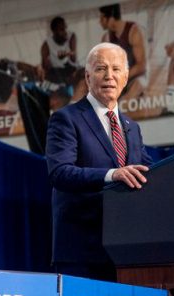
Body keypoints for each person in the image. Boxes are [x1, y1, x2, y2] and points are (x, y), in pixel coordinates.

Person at [45, 42, 152, 281]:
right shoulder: (66, 118)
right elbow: (60, 172)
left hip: (127, 252)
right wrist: (112, 174)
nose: (109, 76)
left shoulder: (132, 128)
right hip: (81, 252)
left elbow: (148, 173)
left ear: (125, 78)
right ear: (87, 76)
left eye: (116, 69)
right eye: (101, 68)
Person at [99, 4, 147, 101]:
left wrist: (122, 77)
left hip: (135, 78)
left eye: (102, 18)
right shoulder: (106, 38)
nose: (99, 21)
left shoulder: (133, 31)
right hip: (117, 81)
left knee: (127, 100)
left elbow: (141, 66)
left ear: (111, 17)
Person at [41, 16, 79, 85]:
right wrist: (47, 63)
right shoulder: (46, 44)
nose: (65, 32)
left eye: (65, 28)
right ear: (54, 31)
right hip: (57, 72)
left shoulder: (71, 36)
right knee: (48, 77)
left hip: (71, 69)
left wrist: (67, 56)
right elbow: (45, 67)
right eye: (61, 29)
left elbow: (74, 59)